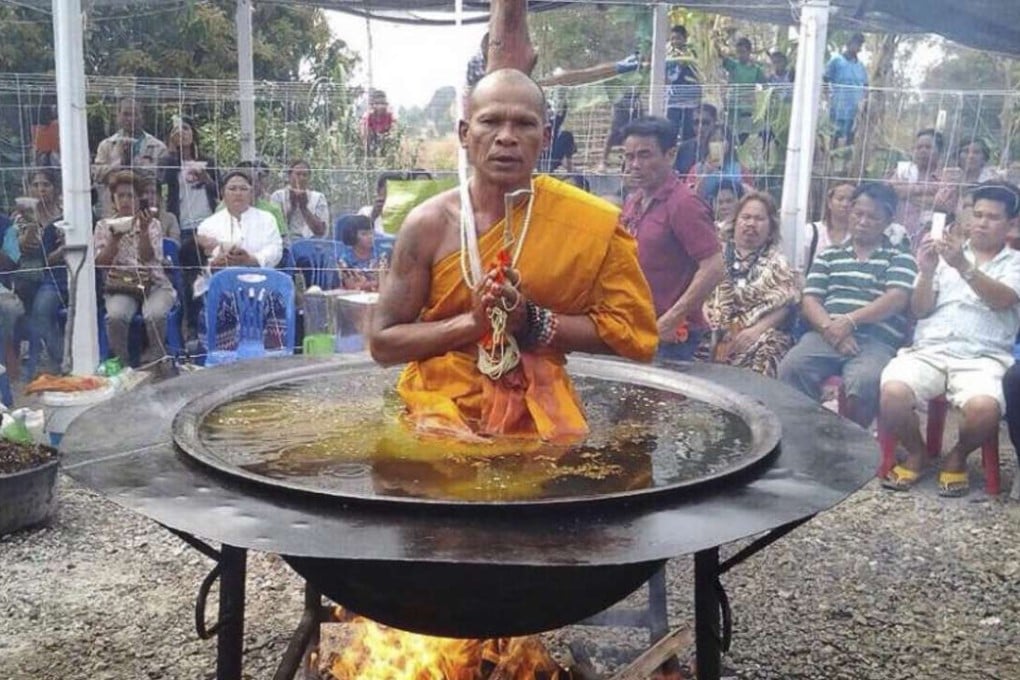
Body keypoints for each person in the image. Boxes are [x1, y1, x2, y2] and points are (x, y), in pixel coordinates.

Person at [369, 69, 658, 442]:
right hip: (438, 415)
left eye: (525, 124)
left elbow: (634, 335)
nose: (506, 137)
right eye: (490, 121)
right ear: (464, 134)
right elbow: (383, 344)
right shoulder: (428, 225)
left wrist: (532, 322)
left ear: (546, 137)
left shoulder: (587, 222)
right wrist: (473, 325)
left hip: (540, 415)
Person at [880, 182, 1020, 496]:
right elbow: (919, 309)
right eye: (978, 214)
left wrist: (964, 267)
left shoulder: (1015, 263)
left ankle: (957, 455)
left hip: (983, 357)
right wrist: (928, 273)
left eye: (992, 217)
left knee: (985, 408)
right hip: (930, 350)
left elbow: (1003, 299)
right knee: (892, 393)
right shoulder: (944, 256)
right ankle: (917, 452)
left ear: (1012, 224)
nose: (982, 222)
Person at [778, 182, 917, 427]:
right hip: (825, 335)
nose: (862, 221)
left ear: (888, 221)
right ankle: (805, 435)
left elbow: (896, 299)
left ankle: (850, 442)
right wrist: (832, 330)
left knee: (864, 382)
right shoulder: (830, 255)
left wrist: (851, 321)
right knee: (792, 367)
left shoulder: (900, 257)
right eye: (858, 213)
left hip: (876, 341)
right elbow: (810, 299)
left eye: (872, 216)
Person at [619, 116, 724, 361]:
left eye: (645, 155)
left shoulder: (684, 204)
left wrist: (672, 318)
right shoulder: (634, 202)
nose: (635, 164)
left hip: (673, 339)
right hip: (635, 329)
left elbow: (714, 267)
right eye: (629, 156)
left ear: (670, 155)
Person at [698, 192, 798, 377]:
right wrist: (702, 307)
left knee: (770, 348)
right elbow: (695, 285)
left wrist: (756, 330)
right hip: (709, 329)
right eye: (746, 217)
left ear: (770, 226)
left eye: (759, 219)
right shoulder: (714, 253)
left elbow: (786, 305)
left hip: (755, 334)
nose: (751, 223)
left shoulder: (777, 263)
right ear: (735, 221)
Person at [194, 170, 285, 352]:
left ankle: (273, 358)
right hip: (223, 286)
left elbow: (276, 250)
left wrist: (251, 259)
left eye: (243, 189)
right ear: (223, 193)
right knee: (220, 300)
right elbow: (202, 262)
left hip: (261, 284)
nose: (238, 193)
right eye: (232, 188)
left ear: (251, 193)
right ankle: (223, 356)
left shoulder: (267, 219)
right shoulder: (208, 224)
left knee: (277, 300)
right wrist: (217, 262)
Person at [94, 171, 175, 371]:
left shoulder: (153, 224)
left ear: (139, 199)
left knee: (154, 315)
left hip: (154, 284)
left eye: (130, 196)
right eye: (120, 196)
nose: (125, 201)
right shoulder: (104, 226)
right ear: (113, 199)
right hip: (121, 286)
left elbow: (148, 258)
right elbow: (101, 264)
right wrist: (114, 238)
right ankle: (122, 366)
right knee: (115, 316)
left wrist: (144, 231)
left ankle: (158, 364)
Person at [13, 168, 67, 377]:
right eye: (35, 185)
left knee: (42, 309)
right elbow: (21, 249)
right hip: (30, 277)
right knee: (29, 308)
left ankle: (60, 357)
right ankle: (51, 356)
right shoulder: (21, 217)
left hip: (59, 276)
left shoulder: (66, 213)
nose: (40, 189)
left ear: (55, 188)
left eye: (45, 184)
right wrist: (32, 222)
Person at [91, 98, 166, 218]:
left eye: (135, 114)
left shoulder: (158, 147)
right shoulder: (106, 145)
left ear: (142, 116)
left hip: (146, 211)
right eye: (126, 114)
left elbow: (160, 178)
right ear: (118, 116)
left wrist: (135, 164)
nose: (131, 119)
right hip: (113, 211)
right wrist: (119, 162)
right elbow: (98, 175)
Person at [159, 116, 219, 235]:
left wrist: (206, 179)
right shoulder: (167, 162)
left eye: (185, 128)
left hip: (208, 223)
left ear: (193, 133)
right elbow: (164, 186)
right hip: (181, 225)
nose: (182, 133)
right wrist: (172, 151)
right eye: (176, 130)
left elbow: (220, 191)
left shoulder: (207, 161)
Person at [889, 128, 948, 242]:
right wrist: (931, 193)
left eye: (928, 147)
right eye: (919, 147)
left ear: (940, 152)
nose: (923, 151)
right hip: (898, 233)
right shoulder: (903, 171)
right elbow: (893, 191)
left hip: (931, 235)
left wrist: (907, 193)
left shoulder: (945, 176)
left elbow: (942, 205)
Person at [719, 37, 766, 146]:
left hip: (747, 106)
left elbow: (765, 85)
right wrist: (715, 43)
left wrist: (762, 102)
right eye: (738, 52)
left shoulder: (756, 69)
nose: (740, 55)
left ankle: (740, 154)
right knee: (731, 134)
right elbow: (721, 57)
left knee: (743, 135)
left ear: (749, 52)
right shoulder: (733, 65)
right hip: (732, 106)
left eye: (743, 52)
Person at [824, 33, 868, 149]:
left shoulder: (860, 66)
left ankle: (847, 165)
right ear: (849, 44)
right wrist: (826, 97)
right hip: (838, 105)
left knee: (851, 137)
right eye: (856, 43)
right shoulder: (836, 61)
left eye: (860, 44)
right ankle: (830, 163)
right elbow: (825, 79)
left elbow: (865, 86)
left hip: (854, 108)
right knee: (834, 135)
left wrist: (864, 102)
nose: (858, 47)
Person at [270, 159, 330, 242]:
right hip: (285, 245)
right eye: (298, 174)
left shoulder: (318, 197)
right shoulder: (278, 196)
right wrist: (292, 208)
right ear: (289, 176)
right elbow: (275, 229)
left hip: (311, 246)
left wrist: (304, 208)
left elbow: (321, 232)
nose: (301, 178)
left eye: (305, 175)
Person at [806, 181, 855, 267]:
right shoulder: (810, 232)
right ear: (829, 202)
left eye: (850, 200)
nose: (845, 204)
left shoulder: (859, 236)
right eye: (840, 199)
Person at [665, 25, 701, 143]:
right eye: (673, 39)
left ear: (685, 39)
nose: (675, 41)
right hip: (673, 100)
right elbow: (668, 76)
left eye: (678, 38)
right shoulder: (668, 53)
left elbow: (699, 72)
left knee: (689, 132)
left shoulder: (693, 53)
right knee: (671, 130)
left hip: (691, 100)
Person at [338, 215, 388, 292]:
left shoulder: (382, 254)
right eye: (364, 234)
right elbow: (351, 286)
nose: (370, 237)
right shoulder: (344, 259)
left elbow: (386, 283)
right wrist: (376, 283)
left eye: (371, 233)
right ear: (353, 235)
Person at [673, 103, 718, 177]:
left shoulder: (722, 147)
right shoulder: (683, 148)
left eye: (705, 123)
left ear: (715, 122)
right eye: (696, 123)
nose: (700, 127)